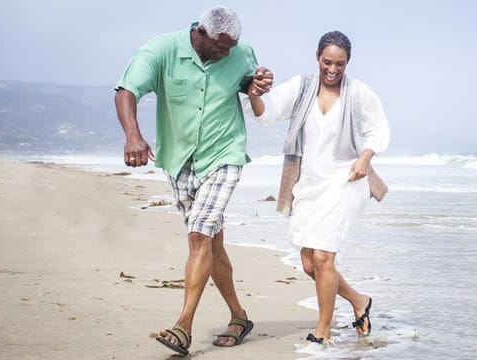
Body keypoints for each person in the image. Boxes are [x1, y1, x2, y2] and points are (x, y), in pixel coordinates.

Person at [113, 6, 274, 355]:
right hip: (180, 160)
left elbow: (249, 83)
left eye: (231, 47)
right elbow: (126, 91)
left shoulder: (240, 51)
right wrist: (133, 136)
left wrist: (257, 84)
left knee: (199, 235)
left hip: (225, 154)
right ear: (200, 33)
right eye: (220, 46)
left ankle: (183, 327)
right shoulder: (161, 50)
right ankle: (239, 317)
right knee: (211, 244)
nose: (226, 53)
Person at [243, 30, 389, 344]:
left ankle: (323, 330)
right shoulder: (302, 87)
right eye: (327, 62)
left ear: (348, 62)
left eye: (340, 64)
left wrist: (365, 158)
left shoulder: (358, 92)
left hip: (346, 182)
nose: (332, 70)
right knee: (310, 264)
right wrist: (254, 94)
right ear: (317, 58)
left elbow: (379, 130)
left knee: (323, 258)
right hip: (309, 184)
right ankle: (359, 300)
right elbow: (267, 113)